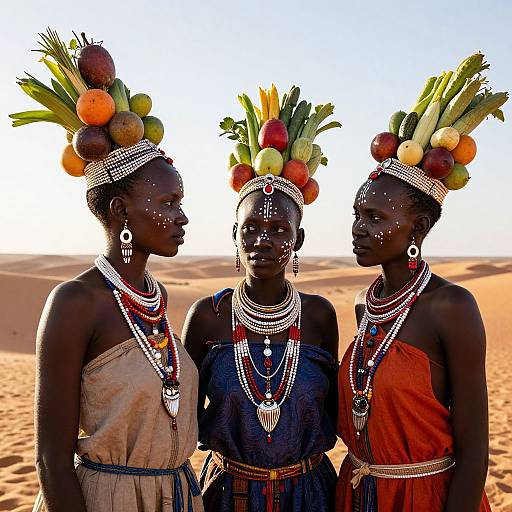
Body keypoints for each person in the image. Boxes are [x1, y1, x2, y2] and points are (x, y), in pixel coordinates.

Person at [32, 141, 203, 512]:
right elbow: (51, 461)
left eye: (180, 203)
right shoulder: (75, 303)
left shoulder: (155, 297)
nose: (182, 216)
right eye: (168, 203)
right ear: (120, 210)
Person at [336, 157, 491, 511]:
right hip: (359, 493)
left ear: (417, 227)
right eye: (357, 215)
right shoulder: (366, 305)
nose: (358, 228)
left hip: (425, 499)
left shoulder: (451, 306)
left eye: (375, 218)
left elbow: (475, 455)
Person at [182, 173, 339, 512]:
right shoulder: (208, 317)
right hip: (227, 495)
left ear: (298, 239)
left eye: (280, 230)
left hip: (311, 496)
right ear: (234, 235)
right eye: (250, 227)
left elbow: (333, 414)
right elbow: (182, 421)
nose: (263, 240)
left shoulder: (319, 316)